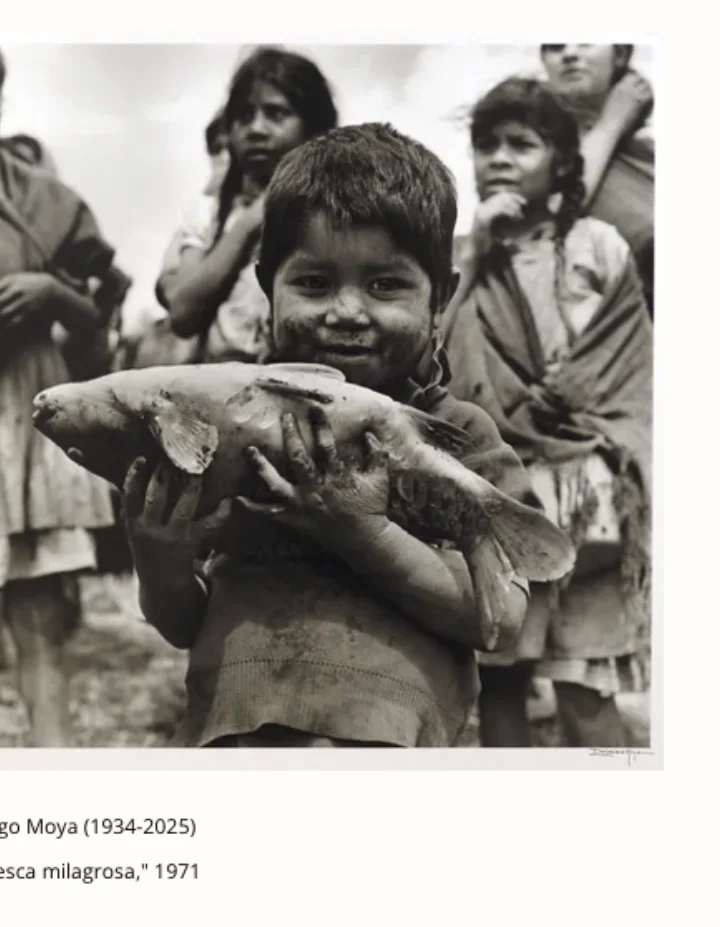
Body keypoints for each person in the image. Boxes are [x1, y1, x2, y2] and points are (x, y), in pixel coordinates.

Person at [122, 123, 533, 749]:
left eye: (385, 285)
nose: (346, 312)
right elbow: (184, 624)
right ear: (268, 287)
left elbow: (497, 622)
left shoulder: (457, 438)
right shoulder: (231, 429)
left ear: (441, 298)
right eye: (313, 283)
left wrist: (360, 533)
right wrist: (159, 563)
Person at [443, 78, 652, 748]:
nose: (500, 158)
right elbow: (431, 360)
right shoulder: (461, 258)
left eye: (521, 144)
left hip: (588, 493)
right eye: (487, 145)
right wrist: (475, 255)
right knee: (501, 679)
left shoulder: (597, 245)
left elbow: (622, 356)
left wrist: (556, 400)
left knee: (586, 687)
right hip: (499, 491)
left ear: (561, 162)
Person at [0, 43, 118, 747]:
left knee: (45, 616)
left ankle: (54, 765)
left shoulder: (42, 197)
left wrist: (53, 292)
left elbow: (99, 305)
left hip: (34, 416)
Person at [156, 46, 338, 365]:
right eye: (244, 117)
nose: (256, 129)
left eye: (276, 114)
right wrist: (249, 224)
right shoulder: (210, 213)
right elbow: (183, 314)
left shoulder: (335, 206)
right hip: (222, 382)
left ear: (313, 127)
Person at [540, 44, 654, 316]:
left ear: (620, 55)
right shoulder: (534, 145)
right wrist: (612, 121)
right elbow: (553, 214)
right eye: (555, 46)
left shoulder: (649, 150)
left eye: (586, 41)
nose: (569, 53)